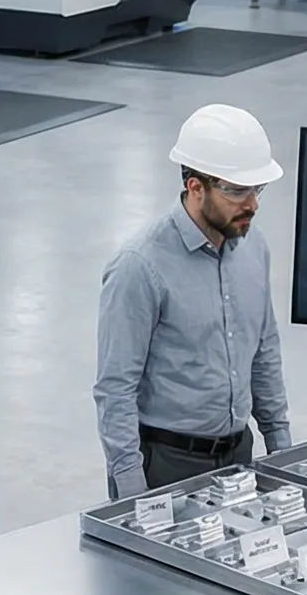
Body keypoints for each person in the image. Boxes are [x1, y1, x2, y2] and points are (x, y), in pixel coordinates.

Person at [95, 104, 294, 498]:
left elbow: (263, 352)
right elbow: (115, 389)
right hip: (166, 465)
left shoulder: (254, 247)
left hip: (239, 456)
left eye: (257, 189)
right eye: (237, 190)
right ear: (196, 187)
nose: (252, 204)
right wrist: (133, 494)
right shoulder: (140, 266)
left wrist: (282, 451)